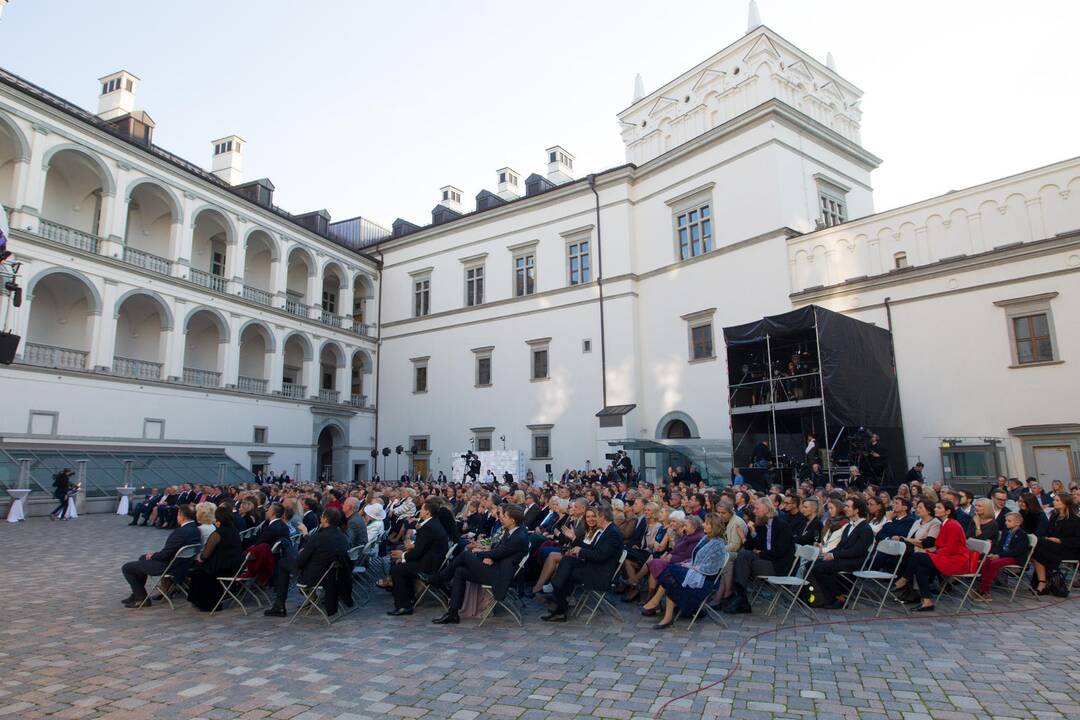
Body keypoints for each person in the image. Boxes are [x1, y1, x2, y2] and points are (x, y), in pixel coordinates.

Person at [432, 505, 529, 624]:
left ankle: (439, 579)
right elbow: (499, 550)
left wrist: (482, 554)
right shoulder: (513, 531)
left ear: (513, 520)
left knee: (466, 555)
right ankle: (452, 613)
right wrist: (489, 555)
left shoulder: (519, 536)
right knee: (460, 571)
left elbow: (500, 552)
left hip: (499, 576)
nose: (501, 518)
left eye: (504, 516)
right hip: (496, 567)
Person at [640, 513, 728, 629]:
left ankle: (659, 607)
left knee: (671, 571)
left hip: (706, 579)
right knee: (672, 578)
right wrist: (689, 564)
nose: (703, 524)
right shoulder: (706, 538)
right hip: (696, 572)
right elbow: (696, 558)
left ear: (714, 527)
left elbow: (713, 568)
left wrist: (693, 567)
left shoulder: (718, 544)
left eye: (707, 523)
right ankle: (666, 614)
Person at [541, 505, 624, 622]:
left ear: (602, 517)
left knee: (566, 574)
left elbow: (600, 556)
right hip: (595, 567)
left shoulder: (612, 533)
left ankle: (558, 599)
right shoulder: (607, 531)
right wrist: (575, 540)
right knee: (567, 561)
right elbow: (592, 548)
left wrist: (581, 550)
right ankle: (558, 597)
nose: (594, 519)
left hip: (600, 574)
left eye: (596, 516)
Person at [892, 500, 978, 612]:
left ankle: (903, 580)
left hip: (956, 561)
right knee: (920, 567)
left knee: (917, 556)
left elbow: (950, 549)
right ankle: (927, 601)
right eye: (936, 507)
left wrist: (933, 554)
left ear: (947, 511)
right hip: (947, 557)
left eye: (939, 507)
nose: (935, 509)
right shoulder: (945, 524)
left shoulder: (952, 525)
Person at [120, 504, 201, 608]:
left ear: (182, 517)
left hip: (169, 566)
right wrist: (152, 555)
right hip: (182, 564)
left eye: (177, 515)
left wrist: (153, 556)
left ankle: (142, 599)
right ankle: (137, 594)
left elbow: (165, 554)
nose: (177, 517)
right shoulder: (195, 529)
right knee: (142, 558)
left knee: (127, 568)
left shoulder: (180, 532)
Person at [726, 498, 794, 614]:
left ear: (767, 509)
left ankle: (740, 598)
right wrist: (749, 533)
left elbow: (780, 551)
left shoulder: (782, 526)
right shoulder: (763, 526)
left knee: (744, 561)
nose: (755, 512)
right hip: (767, 560)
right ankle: (740, 598)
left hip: (778, 565)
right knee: (742, 555)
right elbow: (752, 545)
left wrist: (761, 553)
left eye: (757, 509)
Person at [808, 497, 874, 608]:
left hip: (854, 562)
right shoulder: (849, 526)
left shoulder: (865, 529)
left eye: (848, 506)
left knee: (819, 568)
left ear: (857, 510)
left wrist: (833, 555)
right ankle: (822, 598)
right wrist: (829, 554)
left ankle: (838, 597)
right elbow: (840, 546)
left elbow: (858, 551)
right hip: (843, 558)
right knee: (811, 564)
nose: (845, 508)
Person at [387, 499, 450, 616]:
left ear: (427, 512)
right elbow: (422, 548)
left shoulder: (429, 527)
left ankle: (404, 605)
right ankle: (409, 598)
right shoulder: (433, 523)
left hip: (429, 565)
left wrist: (403, 555)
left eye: (422, 509)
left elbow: (418, 552)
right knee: (401, 565)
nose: (420, 511)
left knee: (397, 569)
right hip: (430, 560)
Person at [187, 506, 245, 612]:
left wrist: (201, 558)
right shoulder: (234, 530)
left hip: (222, 568)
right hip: (235, 565)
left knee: (198, 571)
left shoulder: (217, 534)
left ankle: (204, 602)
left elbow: (205, 555)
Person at [295, 508, 351, 614]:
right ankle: (312, 597)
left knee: (283, 564)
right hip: (335, 574)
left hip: (318, 576)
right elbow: (322, 546)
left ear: (325, 520)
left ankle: (279, 604)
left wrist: (302, 553)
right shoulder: (342, 536)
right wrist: (306, 535)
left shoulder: (319, 536)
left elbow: (301, 561)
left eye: (322, 517)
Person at [972, 511, 1030, 600]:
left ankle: (984, 590)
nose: (1006, 522)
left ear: (1018, 523)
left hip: (1014, 557)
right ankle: (981, 586)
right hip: (1003, 555)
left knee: (994, 564)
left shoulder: (1022, 535)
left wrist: (999, 555)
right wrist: (994, 553)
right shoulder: (1006, 532)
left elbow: (1017, 551)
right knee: (987, 561)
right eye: (1006, 520)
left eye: (1009, 521)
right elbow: (1000, 546)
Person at [1030, 492, 1080, 595]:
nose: (1054, 502)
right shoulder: (1054, 516)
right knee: (1037, 545)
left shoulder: (1075, 520)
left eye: (1057, 500)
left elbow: (1077, 540)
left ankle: (1043, 582)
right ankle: (1043, 582)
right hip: (1053, 547)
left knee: (1038, 548)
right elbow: (1048, 532)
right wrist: (1048, 538)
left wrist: (1060, 541)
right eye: (1055, 500)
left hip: (1068, 549)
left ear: (1065, 503)